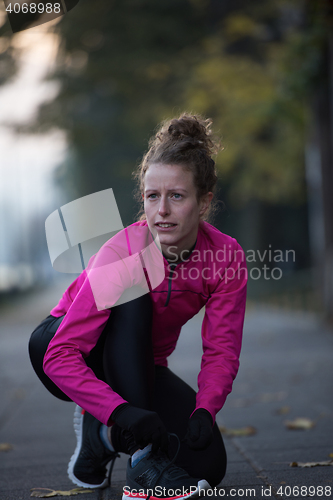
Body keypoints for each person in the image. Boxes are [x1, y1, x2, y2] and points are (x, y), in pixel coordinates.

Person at [29, 113, 247, 500]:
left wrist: (205, 409)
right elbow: (60, 356)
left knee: (207, 466)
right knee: (136, 293)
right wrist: (122, 412)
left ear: (203, 202)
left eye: (176, 196)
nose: (161, 210)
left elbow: (222, 350)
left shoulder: (225, 256)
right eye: (152, 196)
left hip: (140, 365)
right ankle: (141, 462)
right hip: (61, 345)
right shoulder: (123, 253)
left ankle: (102, 437)